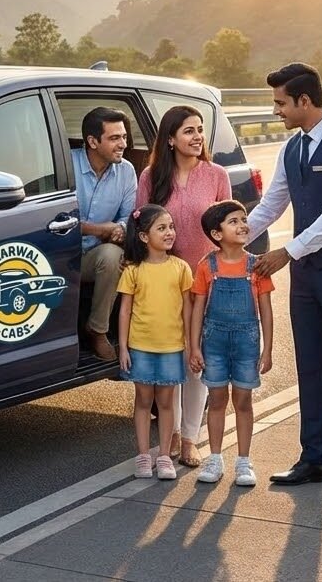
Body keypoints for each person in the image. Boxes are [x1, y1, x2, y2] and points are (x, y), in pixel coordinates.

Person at [247, 62, 322, 485]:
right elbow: (272, 205)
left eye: (281, 103)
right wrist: (230, 239)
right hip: (306, 276)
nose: (276, 110)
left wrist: (288, 251)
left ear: (304, 100)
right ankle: (314, 458)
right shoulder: (292, 149)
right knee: (310, 365)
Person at [135, 104, 231, 469]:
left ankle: (190, 437)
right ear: (171, 138)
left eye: (200, 130)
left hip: (206, 280)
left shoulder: (217, 174)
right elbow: (140, 228)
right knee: (171, 359)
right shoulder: (151, 176)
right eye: (189, 130)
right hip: (165, 279)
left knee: (197, 362)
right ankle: (170, 434)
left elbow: (228, 230)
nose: (197, 137)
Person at [189, 200, 275, 486]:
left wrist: (268, 349)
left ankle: (243, 461)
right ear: (216, 234)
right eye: (234, 221)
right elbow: (198, 307)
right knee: (216, 400)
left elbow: (265, 309)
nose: (242, 225)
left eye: (243, 220)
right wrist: (194, 346)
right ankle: (214, 459)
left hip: (246, 342)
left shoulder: (256, 266)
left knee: (243, 401)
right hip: (213, 342)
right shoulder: (207, 266)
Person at [117, 203, 194, 480]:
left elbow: (187, 307)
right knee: (142, 400)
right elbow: (125, 310)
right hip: (141, 347)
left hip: (172, 347)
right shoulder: (134, 271)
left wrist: (189, 342)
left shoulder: (181, 268)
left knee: (166, 403)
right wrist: (123, 347)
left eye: (171, 227)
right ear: (143, 237)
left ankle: (163, 455)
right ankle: (142, 455)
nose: (170, 232)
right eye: (161, 228)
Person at [72, 106, 137, 360]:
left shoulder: (127, 171)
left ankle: (97, 330)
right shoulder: (66, 163)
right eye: (114, 138)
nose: (123, 143)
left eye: (123, 136)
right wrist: (100, 229)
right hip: (59, 250)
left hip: (94, 255)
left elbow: (128, 218)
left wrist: (119, 229)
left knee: (112, 256)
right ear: (92, 141)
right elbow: (54, 218)